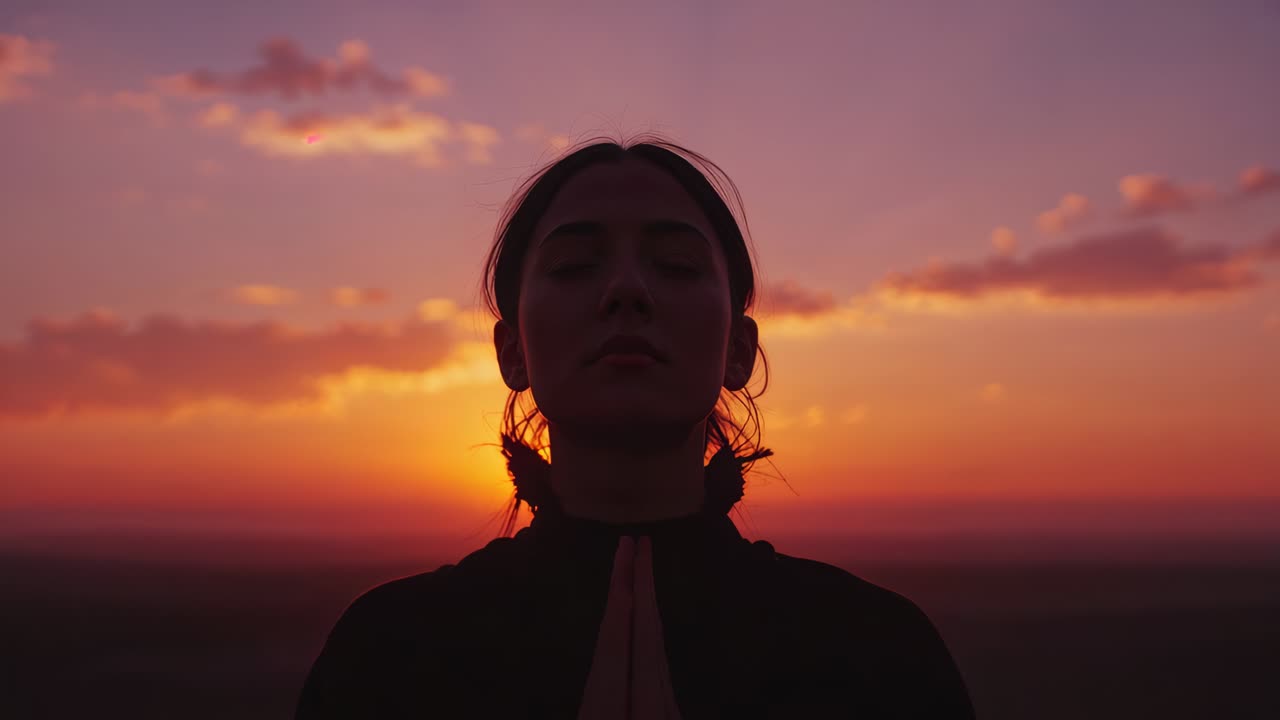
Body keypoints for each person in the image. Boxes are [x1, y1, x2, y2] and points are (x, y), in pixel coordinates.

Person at [295, 133, 976, 719]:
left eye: (676, 265)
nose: (626, 290)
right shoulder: (389, 656)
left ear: (738, 350)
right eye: (574, 267)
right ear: (512, 352)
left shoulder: (876, 656)